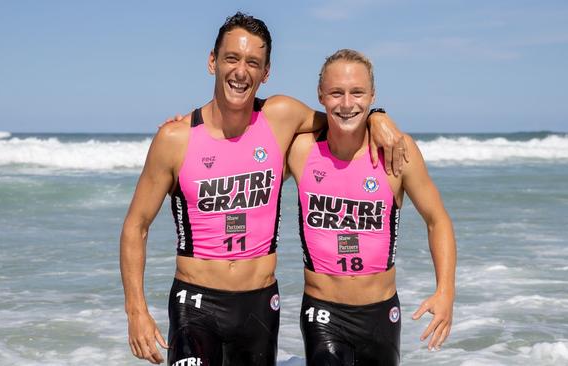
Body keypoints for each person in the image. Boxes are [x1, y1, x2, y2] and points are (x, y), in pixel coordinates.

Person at [120, 13, 407, 365]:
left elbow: (343, 120)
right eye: (232, 58)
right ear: (213, 61)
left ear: (266, 72)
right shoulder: (175, 138)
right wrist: (136, 311)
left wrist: (377, 116)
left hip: (258, 308)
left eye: (253, 62)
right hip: (195, 304)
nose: (241, 71)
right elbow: (136, 225)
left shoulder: (281, 117)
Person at [287, 49, 456, 365]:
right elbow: (246, 146)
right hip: (322, 311)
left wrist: (445, 291)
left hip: (380, 314)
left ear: (372, 95)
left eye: (358, 93)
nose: (347, 103)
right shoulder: (300, 150)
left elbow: (438, 220)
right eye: (336, 93)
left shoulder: (397, 152)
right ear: (321, 96)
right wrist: (187, 125)